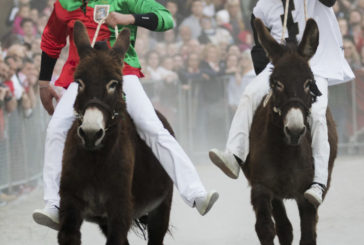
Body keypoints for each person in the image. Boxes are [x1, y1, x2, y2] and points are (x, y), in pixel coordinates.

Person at [33, 0, 219, 230]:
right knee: (56, 129)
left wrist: (129, 18)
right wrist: (43, 83)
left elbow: (166, 18)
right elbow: (52, 40)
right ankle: (53, 204)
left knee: (150, 125)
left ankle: (195, 192)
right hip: (82, 76)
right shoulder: (66, 4)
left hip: (121, 73)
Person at [209, 0, 354, 206]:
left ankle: (318, 182)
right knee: (249, 94)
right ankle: (234, 154)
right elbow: (260, 46)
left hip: (314, 67)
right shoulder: (263, 6)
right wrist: (270, 79)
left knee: (319, 115)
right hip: (279, 68)